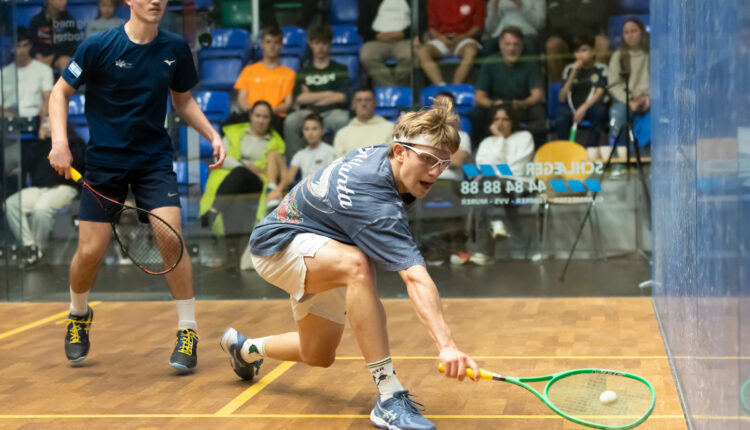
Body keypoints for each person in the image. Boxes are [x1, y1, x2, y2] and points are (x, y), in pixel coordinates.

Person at [220, 97, 479, 430]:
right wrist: (447, 346)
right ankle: (388, 396)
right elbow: (414, 277)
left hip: (324, 248)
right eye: (428, 159)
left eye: (443, 163)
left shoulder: (388, 161)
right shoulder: (373, 196)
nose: (435, 171)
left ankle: (245, 348)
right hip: (277, 246)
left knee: (318, 355)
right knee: (358, 265)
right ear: (400, 152)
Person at [47, 0, 226, 370]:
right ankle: (79, 315)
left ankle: (187, 330)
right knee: (90, 253)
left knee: (170, 240)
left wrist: (212, 134)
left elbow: (183, 101)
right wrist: (60, 143)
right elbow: (59, 93)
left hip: (153, 162)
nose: (155, 1)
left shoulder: (175, 48)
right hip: (105, 164)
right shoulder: (99, 46)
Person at [451, 105, 534, 265]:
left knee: (486, 186)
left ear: (513, 121)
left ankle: (477, 250)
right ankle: (494, 227)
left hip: (517, 184)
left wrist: (501, 140)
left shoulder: (525, 137)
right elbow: (484, 167)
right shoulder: (488, 142)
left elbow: (516, 168)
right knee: (480, 188)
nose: (500, 123)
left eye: (505, 119)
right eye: (496, 119)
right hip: (490, 185)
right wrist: (492, 171)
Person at [200, 100, 286, 242]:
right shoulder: (234, 133)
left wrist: (251, 169)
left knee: (239, 175)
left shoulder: (276, 142)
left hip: (257, 181)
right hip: (233, 181)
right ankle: (233, 254)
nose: (261, 120)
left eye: (265, 117)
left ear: (270, 119)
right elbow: (220, 158)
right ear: (251, 116)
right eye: (257, 116)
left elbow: (278, 170)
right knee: (235, 200)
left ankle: (213, 211)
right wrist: (245, 166)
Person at [6, 127, 85, 267]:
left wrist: (61, 143)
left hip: (64, 187)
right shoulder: (40, 143)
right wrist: (41, 141)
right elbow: (26, 165)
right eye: (45, 119)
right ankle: (32, 248)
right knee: (11, 203)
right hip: (39, 188)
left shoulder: (75, 142)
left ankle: (39, 249)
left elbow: (80, 165)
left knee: (41, 209)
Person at [282, 25, 350, 160]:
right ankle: (296, 164)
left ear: (330, 45)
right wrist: (329, 93)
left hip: (332, 113)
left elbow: (341, 97)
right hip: (308, 113)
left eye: (324, 43)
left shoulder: (340, 68)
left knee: (344, 119)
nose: (320, 48)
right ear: (311, 44)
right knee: (291, 120)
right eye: (317, 43)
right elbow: (299, 99)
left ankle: (341, 162)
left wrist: (311, 96)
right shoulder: (304, 71)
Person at [473, 26, 545, 146]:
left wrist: (523, 103)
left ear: (522, 46)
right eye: (508, 44)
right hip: (497, 105)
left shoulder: (531, 62)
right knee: (476, 114)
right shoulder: (490, 62)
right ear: (501, 45)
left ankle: (536, 151)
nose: (512, 49)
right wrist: (492, 104)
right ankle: (480, 148)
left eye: (516, 44)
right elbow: (479, 97)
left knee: (539, 114)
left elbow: (537, 95)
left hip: (521, 105)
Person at [553, 33, 608, 159]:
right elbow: (562, 97)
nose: (580, 55)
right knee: (560, 117)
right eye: (577, 51)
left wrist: (584, 108)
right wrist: (573, 73)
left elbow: (599, 93)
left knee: (600, 111)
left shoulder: (600, 69)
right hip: (571, 107)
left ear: (593, 51)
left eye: (584, 50)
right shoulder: (569, 69)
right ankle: (566, 153)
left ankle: (590, 152)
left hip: (590, 106)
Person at [607, 17, 650, 157]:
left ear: (642, 33)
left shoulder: (652, 54)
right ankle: (618, 157)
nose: (630, 35)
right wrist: (630, 100)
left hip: (648, 99)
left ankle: (647, 156)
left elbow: (661, 81)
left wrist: (649, 97)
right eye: (626, 32)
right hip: (626, 100)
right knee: (617, 114)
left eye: (634, 31)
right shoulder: (618, 56)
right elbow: (614, 84)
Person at [234, 25, 295, 120]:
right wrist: (257, 113)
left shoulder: (289, 73)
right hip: (251, 117)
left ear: (281, 46)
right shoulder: (248, 70)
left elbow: (288, 103)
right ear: (262, 44)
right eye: (268, 42)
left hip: (276, 118)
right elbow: (242, 99)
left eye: (276, 42)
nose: (272, 46)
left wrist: (267, 113)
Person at [417, 0, 485, 85]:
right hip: (442, 38)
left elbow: (478, 27)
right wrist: (440, 37)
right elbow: (432, 28)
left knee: (470, 51)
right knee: (422, 52)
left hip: (465, 37)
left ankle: (454, 87)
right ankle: (441, 86)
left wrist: (462, 37)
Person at [1, 27, 54, 137]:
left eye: (25, 45)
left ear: (30, 46)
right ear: (12, 47)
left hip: (36, 121)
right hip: (9, 122)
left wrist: (44, 121)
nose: (22, 50)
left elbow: (48, 98)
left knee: (48, 128)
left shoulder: (44, 70)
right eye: (18, 46)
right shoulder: (3, 74)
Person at [544, 0, 610, 82]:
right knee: (551, 44)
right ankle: (559, 87)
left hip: (589, 40)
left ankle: (598, 82)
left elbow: (598, 17)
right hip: (566, 42)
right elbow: (555, 21)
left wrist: (568, 15)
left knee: (603, 42)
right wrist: (582, 13)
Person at [358, 0, 413, 87]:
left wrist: (404, 34)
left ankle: (401, 89)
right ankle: (390, 89)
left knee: (410, 55)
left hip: (404, 40)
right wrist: (376, 36)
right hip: (377, 40)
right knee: (366, 55)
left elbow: (421, 22)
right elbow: (361, 26)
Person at [333, 87, 395, 156]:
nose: (363, 104)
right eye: (359, 100)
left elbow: (393, 158)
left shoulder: (391, 128)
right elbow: (338, 163)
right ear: (353, 104)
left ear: (375, 103)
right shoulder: (342, 134)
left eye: (368, 100)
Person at [280, 113, 336, 189]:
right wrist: (278, 190)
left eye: (314, 128)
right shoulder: (299, 154)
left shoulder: (331, 151)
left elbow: (332, 178)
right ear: (303, 131)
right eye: (307, 129)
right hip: (304, 192)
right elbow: (289, 178)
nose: (310, 133)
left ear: (322, 131)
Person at [29, 0, 83, 71]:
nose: (64, 2)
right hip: (39, 58)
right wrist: (37, 55)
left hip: (58, 59)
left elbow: (72, 47)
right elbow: (30, 43)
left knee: (65, 62)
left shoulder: (70, 21)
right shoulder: (36, 21)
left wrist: (54, 56)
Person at [433, 91, 472, 181]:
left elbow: (456, 162)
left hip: (450, 182)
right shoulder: (422, 134)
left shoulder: (462, 136)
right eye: (436, 105)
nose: (439, 109)